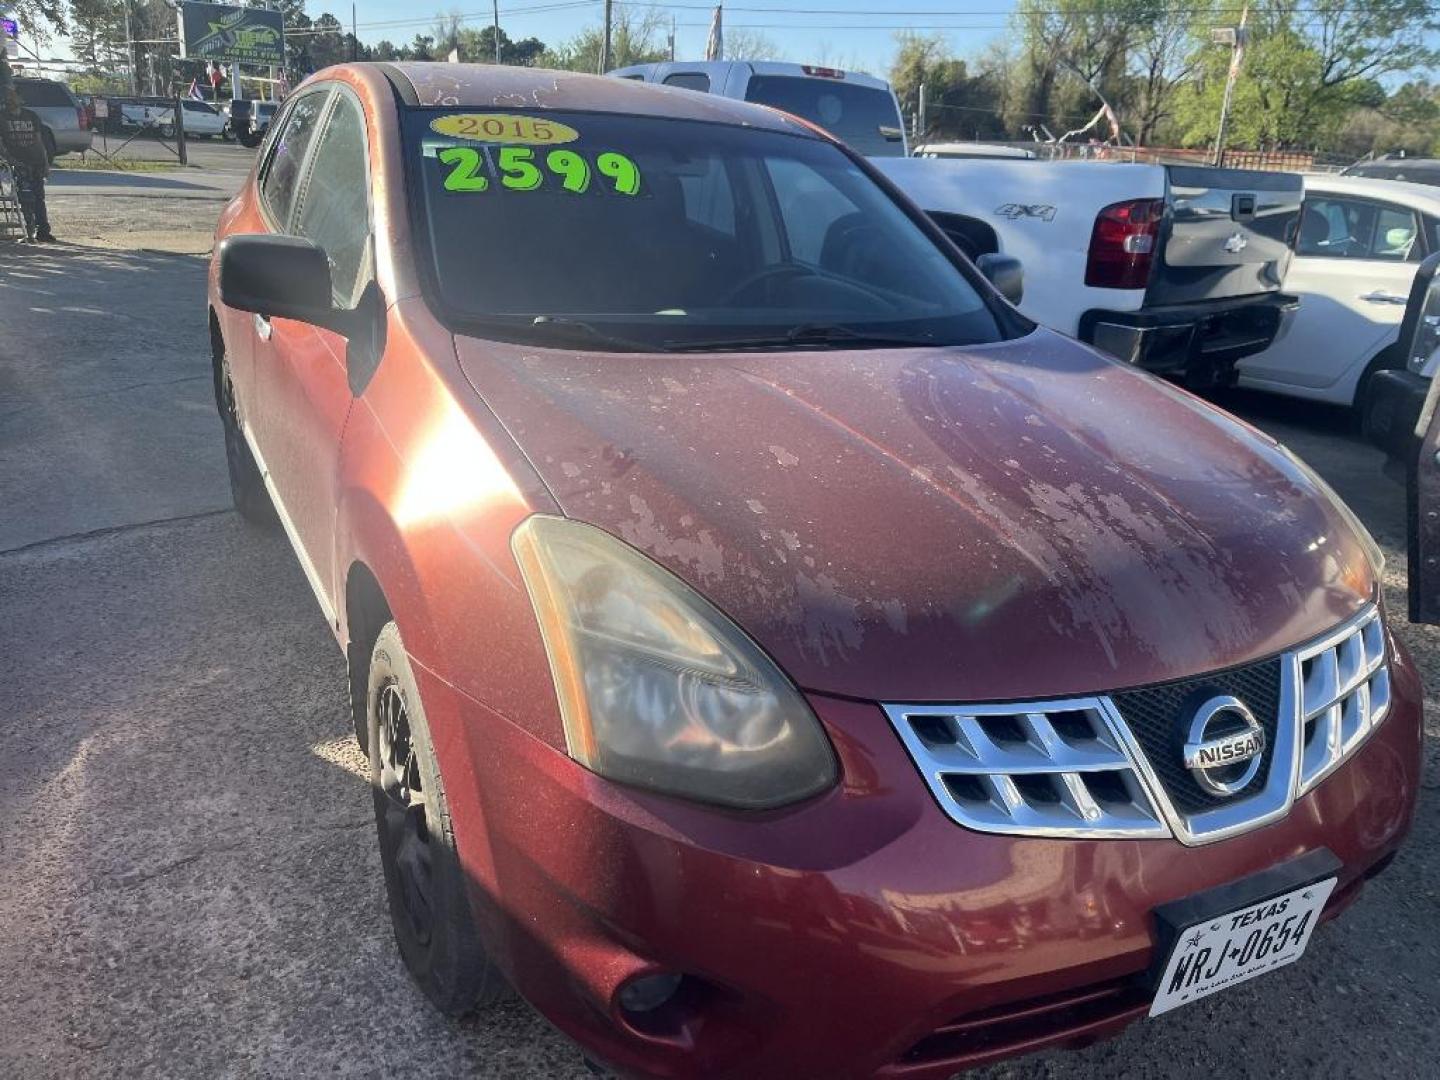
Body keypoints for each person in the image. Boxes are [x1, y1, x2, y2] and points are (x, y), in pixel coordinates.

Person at [0, 86, 54, 243]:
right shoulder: (2, 117)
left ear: (21, 99)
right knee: (25, 197)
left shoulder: (31, 116)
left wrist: (45, 163)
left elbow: (39, 141)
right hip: (18, 162)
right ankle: (30, 231)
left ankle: (43, 230)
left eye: (14, 96)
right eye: (8, 96)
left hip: (35, 160)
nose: (10, 99)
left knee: (39, 197)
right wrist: (9, 159)